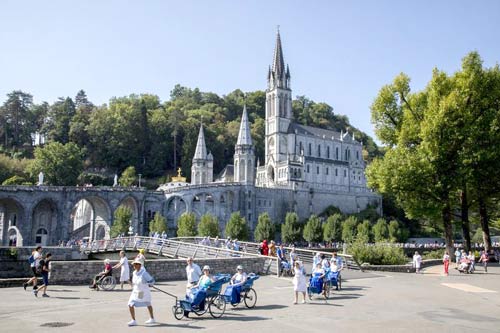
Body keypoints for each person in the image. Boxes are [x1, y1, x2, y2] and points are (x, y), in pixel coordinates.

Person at [127, 259, 156, 326]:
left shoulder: (144, 273)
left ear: (140, 265)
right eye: (134, 264)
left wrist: (149, 283)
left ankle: (152, 318)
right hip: (135, 291)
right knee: (130, 304)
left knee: (148, 303)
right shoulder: (134, 273)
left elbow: (152, 281)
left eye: (136, 264)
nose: (134, 265)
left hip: (142, 292)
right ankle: (133, 320)